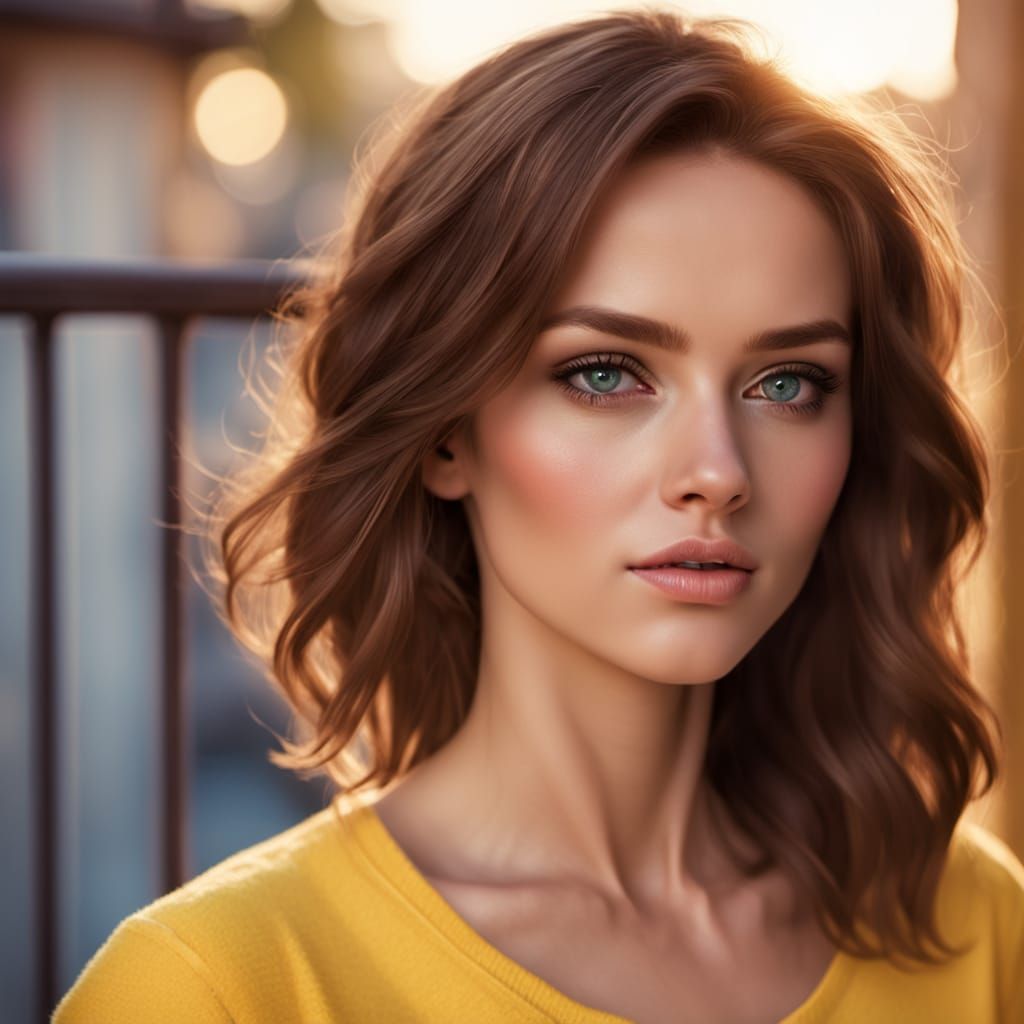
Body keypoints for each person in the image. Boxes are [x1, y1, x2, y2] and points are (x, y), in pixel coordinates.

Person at [53, 7, 1024, 1023]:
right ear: (444, 433)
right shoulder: (215, 986)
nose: (717, 471)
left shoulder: (973, 923)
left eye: (787, 384)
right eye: (605, 373)